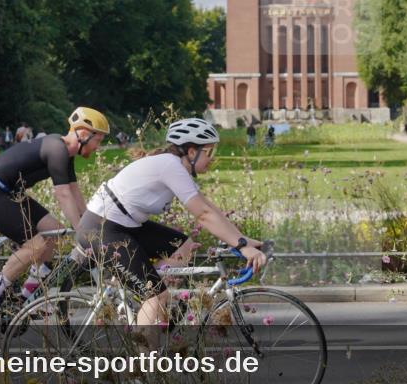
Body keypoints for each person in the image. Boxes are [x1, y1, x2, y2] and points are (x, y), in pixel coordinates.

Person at [76, 118, 266, 330]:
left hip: (125, 224)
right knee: (156, 296)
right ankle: (144, 359)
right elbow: (203, 215)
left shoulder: (174, 167)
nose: (212, 158)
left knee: (183, 246)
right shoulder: (170, 166)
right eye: (209, 152)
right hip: (102, 228)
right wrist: (241, 247)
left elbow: (208, 208)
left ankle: (144, 293)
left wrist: (242, 240)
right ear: (192, 152)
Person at [0, 107, 110, 331]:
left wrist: (89, 222)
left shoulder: (66, 153)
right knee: (35, 246)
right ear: (84, 134)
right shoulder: (57, 148)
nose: (99, 147)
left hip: (10, 194)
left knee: (54, 232)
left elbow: (75, 192)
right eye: (99, 140)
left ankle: (26, 298)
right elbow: (63, 194)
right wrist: (81, 233)